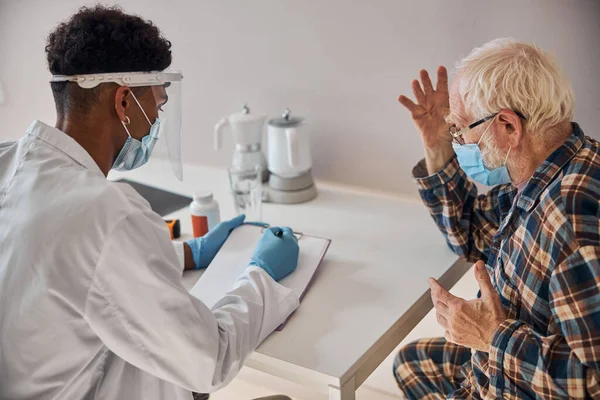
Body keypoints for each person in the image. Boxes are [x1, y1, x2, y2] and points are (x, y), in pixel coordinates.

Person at [0, 6, 298, 400]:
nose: (157, 118)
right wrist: (261, 275)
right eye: (157, 104)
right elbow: (210, 360)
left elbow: (60, 267)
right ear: (123, 103)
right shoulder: (108, 212)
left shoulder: (9, 162)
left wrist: (187, 253)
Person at [395, 38, 600, 399]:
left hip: (515, 375)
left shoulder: (569, 223)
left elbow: (591, 384)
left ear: (507, 126)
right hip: (499, 362)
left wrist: (492, 335)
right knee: (412, 363)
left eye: (459, 129)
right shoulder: (548, 168)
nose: (457, 140)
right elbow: (470, 232)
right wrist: (436, 144)